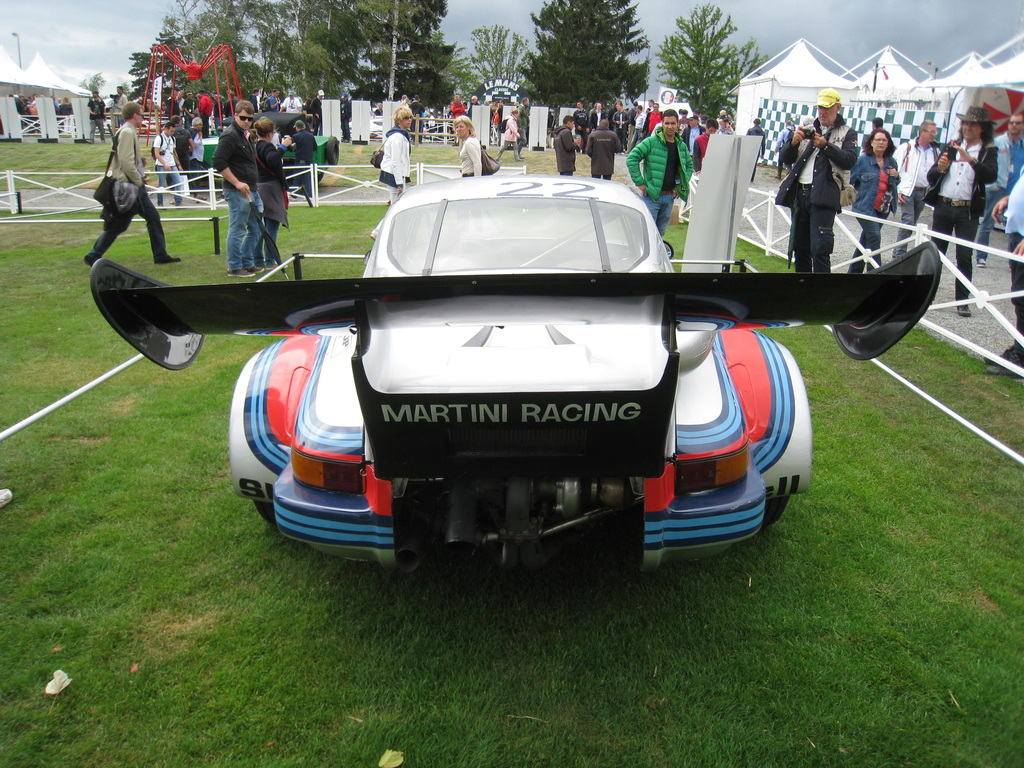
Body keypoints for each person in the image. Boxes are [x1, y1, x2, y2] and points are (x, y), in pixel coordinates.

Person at [83, 102, 180, 266]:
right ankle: (93, 254)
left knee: (147, 219)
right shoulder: (128, 132)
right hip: (131, 187)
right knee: (121, 223)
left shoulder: (125, 131)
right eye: (142, 115)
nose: (143, 118)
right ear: (135, 115)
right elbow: (126, 162)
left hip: (133, 185)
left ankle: (160, 254)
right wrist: (138, 180)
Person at [925, 105, 998, 316]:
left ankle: (962, 301)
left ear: (982, 128)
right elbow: (932, 176)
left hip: (967, 211)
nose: (967, 127)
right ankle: (926, 296)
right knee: (936, 254)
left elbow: (990, 176)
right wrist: (939, 168)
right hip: (944, 205)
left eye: (972, 124)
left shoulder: (987, 150)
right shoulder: (951, 146)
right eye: (965, 123)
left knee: (964, 256)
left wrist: (971, 160)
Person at [776, 88, 859, 273]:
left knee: (820, 249)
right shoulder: (808, 129)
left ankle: (821, 294)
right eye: (820, 107)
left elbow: (849, 160)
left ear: (838, 107)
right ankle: (802, 291)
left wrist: (826, 146)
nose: (822, 112)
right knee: (800, 247)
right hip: (801, 194)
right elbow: (785, 158)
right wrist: (793, 143)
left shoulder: (847, 132)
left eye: (827, 108)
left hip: (825, 195)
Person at [212, 101, 263, 277]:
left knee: (256, 228)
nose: (247, 121)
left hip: (251, 188)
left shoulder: (244, 134)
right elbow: (218, 161)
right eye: (243, 118)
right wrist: (236, 183)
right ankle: (234, 266)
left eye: (250, 118)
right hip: (237, 191)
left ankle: (247, 263)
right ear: (235, 116)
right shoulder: (230, 135)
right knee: (238, 229)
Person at [626, 108, 694, 236]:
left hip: (669, 197)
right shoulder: (651, 142)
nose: (670, 126)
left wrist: (679, 185)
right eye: (667, 123)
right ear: (662, 124)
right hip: (651, 196)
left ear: (677, 124)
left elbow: (689, 166)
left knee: (660, 236)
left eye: (673, 123)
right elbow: (632, 159)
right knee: (646, 234)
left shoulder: (681, 146)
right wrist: (640, 183)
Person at [848, 129, 900, 273]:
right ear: (871, 142)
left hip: (883, 209)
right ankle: (875, 273)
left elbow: (895, 182)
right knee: (875, 237)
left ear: (888, 143)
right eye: (877, 140)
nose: (881, 143)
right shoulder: (863, 161)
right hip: (865, 207)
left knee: (866, 240)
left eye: (884, 140)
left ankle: (854, 272)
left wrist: (896, 175)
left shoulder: (891, 161)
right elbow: (850, 180)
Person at [976, 112, 1024, 267]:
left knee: (1015, 225)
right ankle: (981, 256)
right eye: (1012, 122)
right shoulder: (997, 142)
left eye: (1017, 123)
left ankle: (1015, 258)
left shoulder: (1022, 145)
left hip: (1015, 191)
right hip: (999, 188)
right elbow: (988, 163)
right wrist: (991, 185)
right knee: (988, 222)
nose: (1014, 125)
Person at [988, 181, 1024, 376]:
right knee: (1019, 297)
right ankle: (1018, 349)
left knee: (1022, 298)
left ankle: (1020, 357)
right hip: (1018, 234)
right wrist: (1010, 199)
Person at [891, 120, 940, 260]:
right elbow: (894, 168)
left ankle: (902, 252)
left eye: (934, 132)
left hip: (923, 191)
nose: (933, 135)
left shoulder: (935, 151)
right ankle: (899, 254)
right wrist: (898, 189)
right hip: (907, 189)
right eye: (931, 132)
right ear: (921, 131)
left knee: (912, 223)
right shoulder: (906, 148)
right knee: (908, 221)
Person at [253, 118, 291, 267]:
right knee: (272, 225)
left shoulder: (255, 146)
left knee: (262, 226)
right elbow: (273, 160)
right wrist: (283, 146)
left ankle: (257, 259)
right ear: (270, 134)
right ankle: (270, 260)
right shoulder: (267, 147)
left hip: (260, 186)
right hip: (271, 188)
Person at [379, 104, 413, 204]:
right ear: (399, 120)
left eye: (410, 117)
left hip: (397, 174)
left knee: (397, 204)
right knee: (396, 205)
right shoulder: (397, 137)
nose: (409, 120)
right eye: (406, 118)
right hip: (393, 174)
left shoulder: (402, 135)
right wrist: (399, 183)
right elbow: (395, 161)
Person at [153, 121, 184, 207]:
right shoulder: (159, 138)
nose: (172, 133)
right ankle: (160, 203)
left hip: (172, 163)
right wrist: (164, 164)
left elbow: (173, 152)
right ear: (166, 129)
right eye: (171, 131)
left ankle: (178, 201)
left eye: (173, 131)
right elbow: (157, 153)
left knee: (178, 182)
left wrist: (178, 164)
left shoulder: (172, 139)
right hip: (161, 165)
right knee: (161, 184)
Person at [290, 119, 317, 200]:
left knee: (296, 178)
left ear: (297, 128)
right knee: (308, 179)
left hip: (299, 160)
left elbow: (291, 148)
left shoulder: (296, 137)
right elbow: (315, 147)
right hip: (308, 161)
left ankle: (294, 195)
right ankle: (309, 196)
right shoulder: (311, 136)